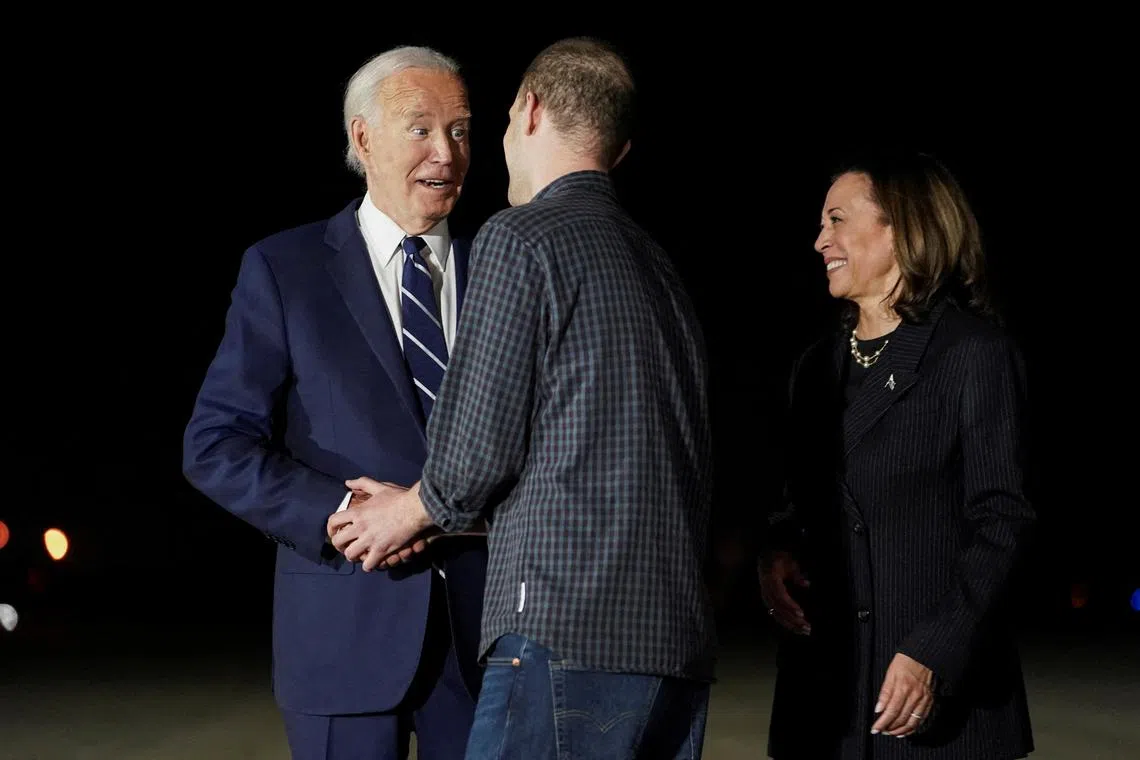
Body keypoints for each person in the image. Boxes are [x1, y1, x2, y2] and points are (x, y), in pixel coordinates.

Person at [327, 37, 717, 759]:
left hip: (567, 632)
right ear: (620, 148)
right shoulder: (658, 264)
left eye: (491, 125)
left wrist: (407, 511)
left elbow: (476, 448)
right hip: (676, 644)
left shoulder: (522, 239)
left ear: (529, 110)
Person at [182, 45, 487, 760]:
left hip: (489, 643)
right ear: (362, 138)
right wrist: (342, 515)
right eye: (421, 128)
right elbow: (215, 444)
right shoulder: (284, 269)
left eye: (462, 130)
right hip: (342, 632)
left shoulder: (506, 263)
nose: (446, 152)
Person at [759, 152, 1035, 759]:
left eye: (836, 220)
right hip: (826, 707)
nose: (818, 241)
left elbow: (1003, 521)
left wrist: (934, 651)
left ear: (902, 228)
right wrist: (778, 554)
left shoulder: (972, 354)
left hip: (938, 715)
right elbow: (796, 500)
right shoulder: (814, 369)